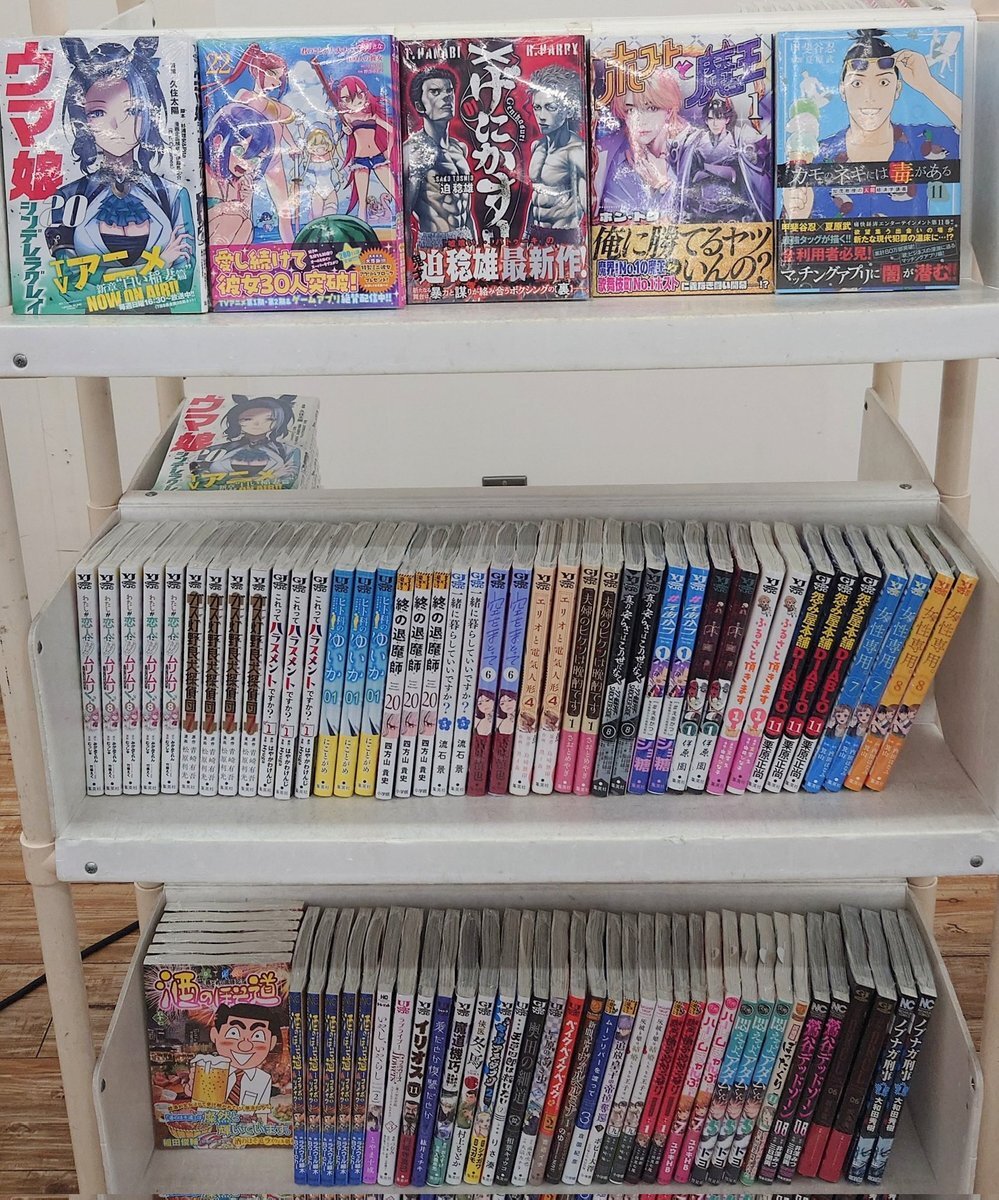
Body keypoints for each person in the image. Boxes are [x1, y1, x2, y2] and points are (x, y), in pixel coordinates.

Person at [46, 38, 195, 298]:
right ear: (82, 120)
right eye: (98, 113)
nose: (115, 125)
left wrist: (101, 278)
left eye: (132, 110)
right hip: (91, 320)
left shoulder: (172, 195)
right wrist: (158, 265)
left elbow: (184, 282)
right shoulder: (68, 198)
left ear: (149, 114)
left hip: (167, 318)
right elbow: (69, 283)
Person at [783, 28, 961, 220]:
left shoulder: (919, 141)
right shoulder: (817, 158)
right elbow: (790, 232)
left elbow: (976, 135)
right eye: (857, 84)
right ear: (842, 90)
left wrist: (928, 84)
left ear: (897, 89)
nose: (870, 96)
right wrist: (798, 216)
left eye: (883, 82)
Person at [215, 44, 298, 240]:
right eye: (273, 74)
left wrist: (293, 145)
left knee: (284, 210)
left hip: (274, 159)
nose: (276, 82)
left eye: (280, 78)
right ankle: (243, 245)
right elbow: (233, 121)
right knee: (245, 206)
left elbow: (282, 126)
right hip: (249, 158)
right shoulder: (245, 96)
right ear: (257, 71)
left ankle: (291, 248)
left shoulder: (275, 106)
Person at [595, 67, 696, 222]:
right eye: (630, 110)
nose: (640, 120)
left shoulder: (692, 149)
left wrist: (663, 187)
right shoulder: (605, 153)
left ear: (669, 111)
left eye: (651, 108)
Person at [404, 65, 473, 240]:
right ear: (420, 106)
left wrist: (476, 245)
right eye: (435, 92)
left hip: (465, 241)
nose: (446, 97)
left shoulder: (459, 148)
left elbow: (466, 211)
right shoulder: (412, 150)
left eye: (449, 91)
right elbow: (403, 214)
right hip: (434, 241)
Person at [685, 94, 770, 222]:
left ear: (727, 119)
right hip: (703, 207)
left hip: (732, 207)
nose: (715, 123)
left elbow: (739, 173)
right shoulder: (697, 142)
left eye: (719, 118)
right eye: (711, 119)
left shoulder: (738, 140)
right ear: (706, 121)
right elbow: (693, 175)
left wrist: (708, 168)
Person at [202, 103, 276, 247]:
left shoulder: (236, 181)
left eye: (255, 160)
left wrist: (247, 198)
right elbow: (194, 219)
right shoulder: (204, 173)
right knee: (233, 219)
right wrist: (225, 208)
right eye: (239, 151)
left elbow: (246, 224)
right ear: (218, 142)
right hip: (202, 246)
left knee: (246, 224)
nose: (245, 164)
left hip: (225, 252)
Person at [526, 63, 587, 238]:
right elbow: (537, 197)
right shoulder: (537, 147)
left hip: (564, 236)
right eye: (537, 108)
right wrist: (526, 236)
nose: (541, 116)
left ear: (568, 110)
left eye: (551, 107)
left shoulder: (576, 152)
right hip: (536, 235)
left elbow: (587, 205)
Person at [189, 395, 301, 486]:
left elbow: (288, 480)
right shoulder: (216, 450)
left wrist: (226, 480)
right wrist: (270, 477)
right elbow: (199, 477)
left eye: (269, 419)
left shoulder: (288, 451)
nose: (257, 424)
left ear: (279, 422)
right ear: (237, 420)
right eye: (248, 419)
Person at [334, 76, 396, 225]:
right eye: (347, 99)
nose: (355, 101)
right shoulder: (347, 117)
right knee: (362, 200)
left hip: (378, 157)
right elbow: (339, 137)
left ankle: (404, 220)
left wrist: (388, 150)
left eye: (359, 95)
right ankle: (362, 228)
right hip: (360, 160)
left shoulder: (372, 115)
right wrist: (345, 131)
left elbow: (392, 130)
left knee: (395, 192)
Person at [207, 1003, 281, 1107]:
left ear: (271, 1043)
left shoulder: (263, 1079)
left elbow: (261, 1112)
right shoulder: (209, 1071)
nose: (245, 1046)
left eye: (258, 1036)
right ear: (214, 1035)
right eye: (233, 1033)